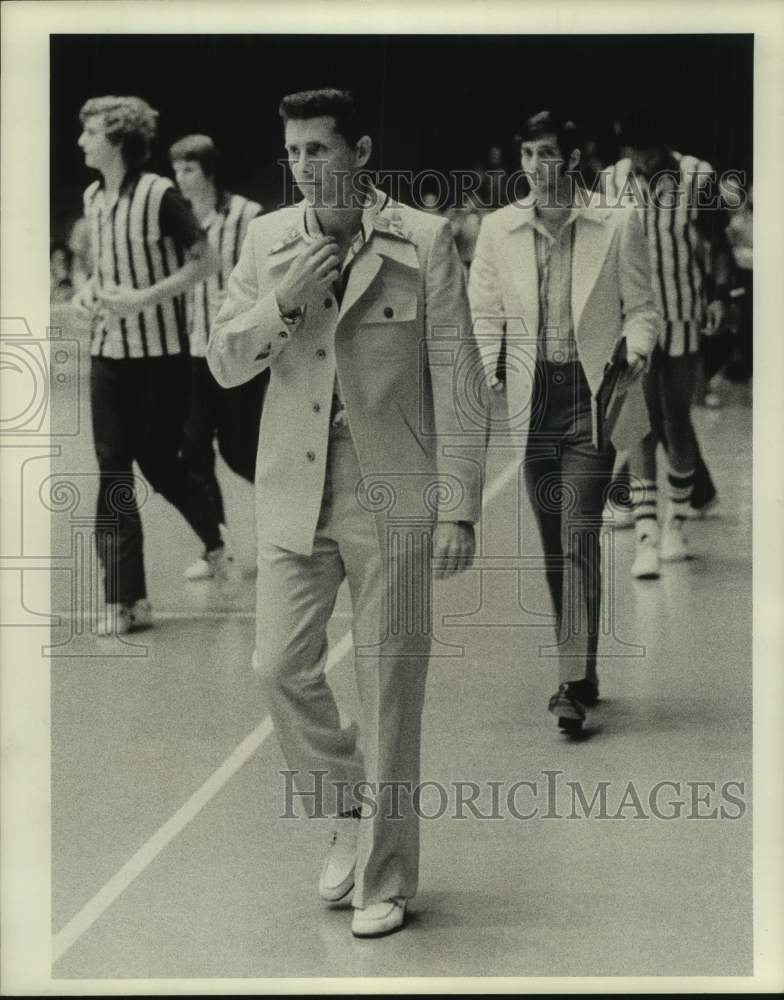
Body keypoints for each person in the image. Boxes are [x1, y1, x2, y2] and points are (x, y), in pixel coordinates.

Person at [207, 89, 483, 938]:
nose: (303, 166)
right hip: (293, 490)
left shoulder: (423, 241)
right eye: (293, 152)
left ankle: (387, 877)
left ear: (359, 152)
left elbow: (460, 377)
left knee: (391, 685)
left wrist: (459, 507)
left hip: (392, 494)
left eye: (319, 149)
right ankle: (347, 807)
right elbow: (223, 362)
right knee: (277, 667)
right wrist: (283, 300)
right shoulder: (267, 243)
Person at [469, 110, 660, 732]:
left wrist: (635, 351)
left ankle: (571, 683)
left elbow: (644, 310)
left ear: (573, 160)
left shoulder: (617, 223)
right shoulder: (498, 229)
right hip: (532, 402)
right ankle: (584, 668)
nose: (534, 166)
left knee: (579, 534)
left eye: (547, 153)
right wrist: (492, 367)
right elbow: (485, 311)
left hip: (591, 397)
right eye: (527, 153)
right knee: (554, 546)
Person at [72, 96, 229, 636]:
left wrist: (143, 299)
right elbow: (104, 270)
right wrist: (89, 293)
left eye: (90, 132)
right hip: (108, 356)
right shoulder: (93, 198)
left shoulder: (159, 195)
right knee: (113, 468)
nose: (81, 141)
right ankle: (127, 600)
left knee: (161, 466)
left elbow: (206, 261)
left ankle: (215, 540)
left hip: (161, 361)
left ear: (117, 140)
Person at [602, 109, 730, 577]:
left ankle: (677, 522)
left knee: (676, 418)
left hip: (683, 311)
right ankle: (647, 534)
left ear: (662, 147)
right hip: (634, 318)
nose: (639, 161)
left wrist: (720, 296)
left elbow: (717, 244)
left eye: (646, 153)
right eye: (632, 153)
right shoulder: (612, 179)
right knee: (639, 422)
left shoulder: (698, 176)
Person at [168, 134, 266, 579]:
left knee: (241, 451)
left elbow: (268, 271)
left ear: (208, 171)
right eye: (176, 169)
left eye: (188, 169)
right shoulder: (178, 218)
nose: (180, 177)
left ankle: (290, 522)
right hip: (191, 353)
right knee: (192, 451)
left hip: (236, 351)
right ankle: (215, 544)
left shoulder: (246, 215)